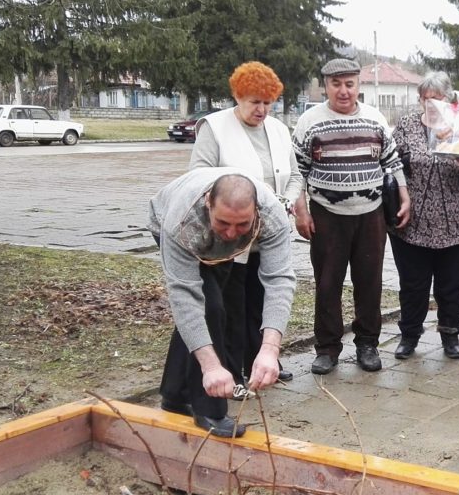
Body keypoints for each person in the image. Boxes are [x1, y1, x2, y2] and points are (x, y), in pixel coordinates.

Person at [149, 168, 296, 437]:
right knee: (208, 307)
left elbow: (279, 280)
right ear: (208, 203)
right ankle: (210, 409)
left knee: (215, 308)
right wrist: (212, 367)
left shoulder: (273, 216)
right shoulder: (182, 222)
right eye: (224, 223)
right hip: (169, 222)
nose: (231, 233)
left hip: (217, 245)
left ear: (256, 212)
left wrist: (270, 349)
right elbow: (184, 296)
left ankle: (174, 395)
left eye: (242, 225)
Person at [291, 58, 410, 376]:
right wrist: (300, 209)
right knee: (327, 283)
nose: (343, 91)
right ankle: (327, 348)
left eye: (349, 84)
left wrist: (405, 195)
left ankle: (367, 344)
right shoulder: (309, 121)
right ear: (326, 85)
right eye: (336, 84)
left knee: (369, 282)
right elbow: (297, 171)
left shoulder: (375, 118)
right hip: (327, 214)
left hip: (370, 213)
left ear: (358, 85)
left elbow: (392, 161)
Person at [189, 61, 297, 385]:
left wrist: (285, 203)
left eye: (267, 102)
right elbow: (198, 177)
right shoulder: (215, 127)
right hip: (230, 236)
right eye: (254, 101)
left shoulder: (278, 130)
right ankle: (233, 372)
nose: (261, 109)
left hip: (268, 233)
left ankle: (262, 364)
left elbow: (295, 176)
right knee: (232, 307)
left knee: (262, 301)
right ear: (237, 96)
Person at [390, 72, 459, 360]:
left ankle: (450, 335)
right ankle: (409, 335)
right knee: (413, 285)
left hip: (457, 223)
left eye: (437, 99)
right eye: (425, 99)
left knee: (451, 283)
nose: (431, 104)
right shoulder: (407, 126)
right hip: (412, 222)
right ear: (419, 100)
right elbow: (391, 164)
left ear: (449, 99)